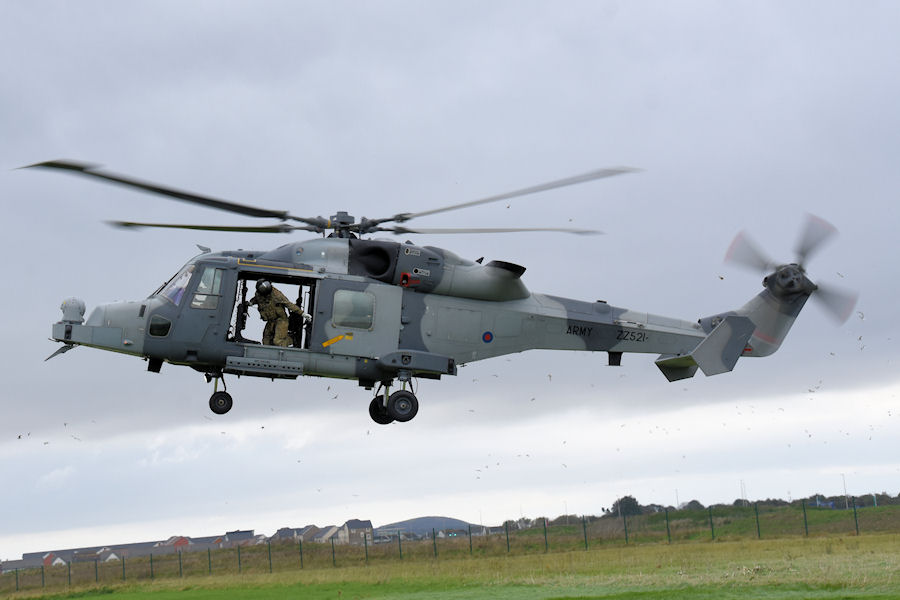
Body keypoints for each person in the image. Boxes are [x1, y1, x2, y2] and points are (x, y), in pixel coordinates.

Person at [249, 280, 307, 346]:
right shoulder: (259, 294)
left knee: (278, 342)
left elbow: (289, 304)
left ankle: (292, 339)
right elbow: (257, 299)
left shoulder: (277, 295)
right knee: (266, 341)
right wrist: (251, 303)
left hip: (281, 320)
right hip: (271, 321)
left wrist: (302, 313)